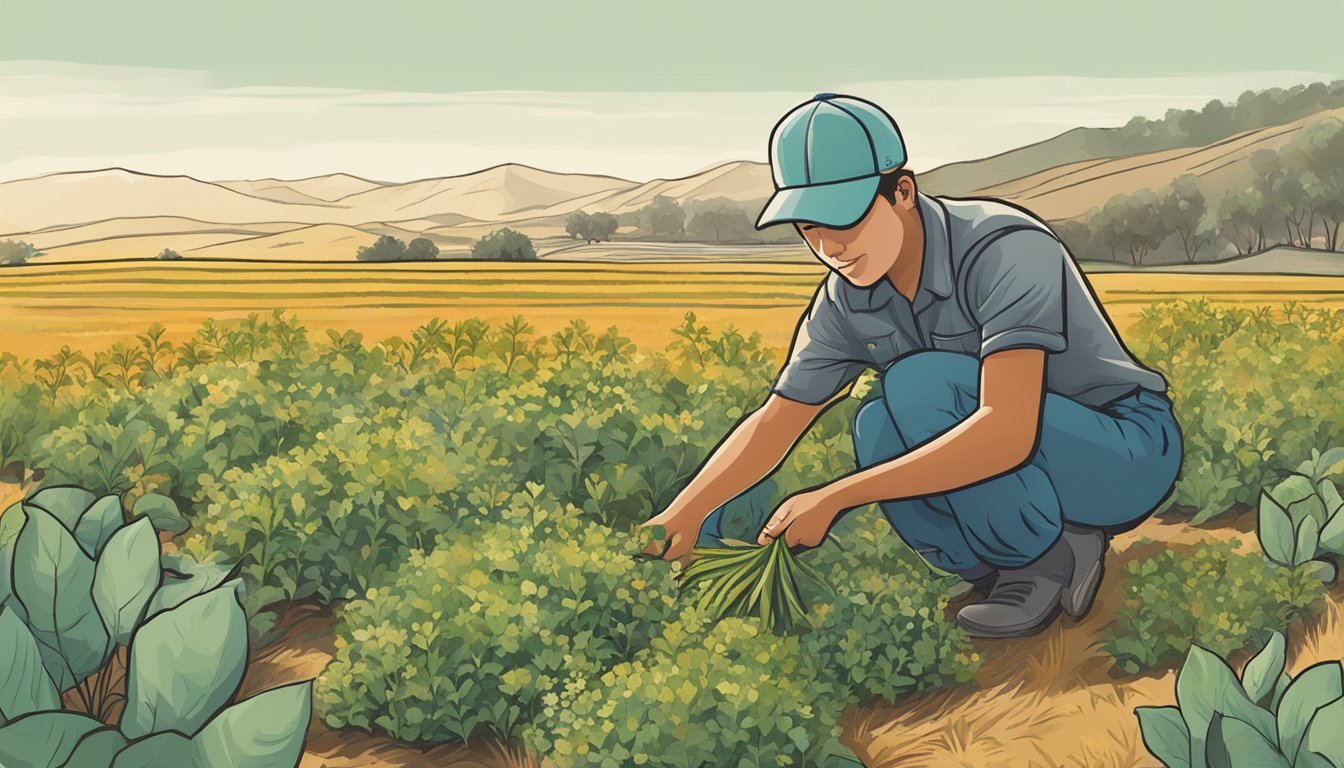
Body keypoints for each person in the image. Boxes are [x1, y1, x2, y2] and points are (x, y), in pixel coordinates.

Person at [637, 93, 1183, 638]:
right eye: (808, 228)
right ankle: (1000, 566)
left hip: (1121, 450)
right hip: (1037, 459)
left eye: (842, 220)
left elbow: (1008, 431)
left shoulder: (1004, 247)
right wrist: (683, 513)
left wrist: (838, 496)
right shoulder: (845, 298)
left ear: (903, 191)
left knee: (919, 382)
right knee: (875, 426)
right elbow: (778, 419)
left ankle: (1042, 562)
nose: (829, 246)